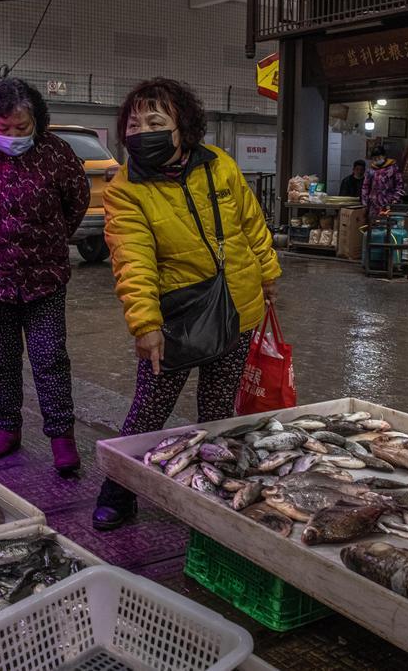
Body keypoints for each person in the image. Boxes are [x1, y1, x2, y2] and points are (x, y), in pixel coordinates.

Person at [91, 78, 281, 531]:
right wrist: (145, 324)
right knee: (148, 412)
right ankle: (118, 491)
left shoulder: (219, 165)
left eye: (156, 122)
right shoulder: (125, 188)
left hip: (237, 308)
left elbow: (251, 225)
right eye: (134, 124)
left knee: (217, 412)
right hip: (175, 319)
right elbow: (132, 260)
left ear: (184, 128)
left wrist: (268, 273)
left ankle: (211, 488)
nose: (142, 132)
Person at [0, 77, 90, 476]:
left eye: (21, 128)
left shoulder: (56, 153)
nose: (12, 135)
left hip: (44, 279)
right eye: (3, 128)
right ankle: (6, 427)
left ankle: (62, 436)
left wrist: (53, 239)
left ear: (37, 122)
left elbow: (78, 200)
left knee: (49, 359)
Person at [361, 146, 404, 220]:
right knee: (373, 227)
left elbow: (399, 185)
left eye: (378, 157)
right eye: (374, 158)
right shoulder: (371, 170)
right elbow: (365, 187)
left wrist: (395, 199)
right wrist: (364, 204)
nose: (376, 159)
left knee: (387, 226)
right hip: (373, 205)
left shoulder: (393, 168)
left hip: (388, 204)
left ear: (384, 156)